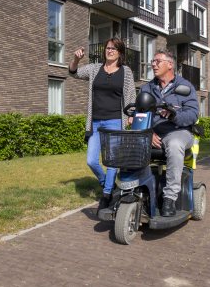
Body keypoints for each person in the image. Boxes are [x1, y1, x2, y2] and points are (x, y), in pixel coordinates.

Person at [69, 38, 136, 212]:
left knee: (112, 160)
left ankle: (106, 195)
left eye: (114, 48)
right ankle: (108, 183)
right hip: (96, 122)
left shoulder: (126, 71)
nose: (110, 50)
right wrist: (76, 59)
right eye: (108, 48)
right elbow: (74, 73)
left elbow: (130, 94)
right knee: (91, 160)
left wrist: (131, 115)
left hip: (115, 120)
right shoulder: (94, 69)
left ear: (120, 52)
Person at [139, 50, 199, 217]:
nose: (153, 64)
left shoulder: (185, 87)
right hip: (152, 133)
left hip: (178, 131)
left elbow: (193, 115)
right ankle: (133, 190)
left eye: (157, 61)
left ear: (170, 65)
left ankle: (169, 198)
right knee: (128, 141)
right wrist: (148, 132)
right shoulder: (147, 88)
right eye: (153, 61)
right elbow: (140, 114)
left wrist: (175, 116)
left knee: (173, 145)